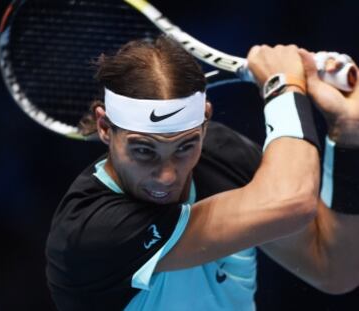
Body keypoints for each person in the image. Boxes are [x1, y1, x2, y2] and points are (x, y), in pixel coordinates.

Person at [45, 36, 359, 311]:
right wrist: (283, 87)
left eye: (185, 147)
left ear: (204, 120)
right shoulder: (89, 230)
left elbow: (334, 268)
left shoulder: (224, 156)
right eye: (143, 150)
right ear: (104, 127)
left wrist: (348, 137)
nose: (167, 176)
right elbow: (293, 202)